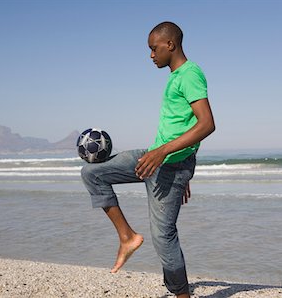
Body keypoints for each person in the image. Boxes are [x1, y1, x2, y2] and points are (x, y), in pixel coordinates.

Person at [81, 21, 215, 298]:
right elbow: (183, 125)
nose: (151, 55)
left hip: (166, 163)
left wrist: (176, 164)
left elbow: (206, 124)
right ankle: (127, 237)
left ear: (170, 45)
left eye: (154, 49)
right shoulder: (175, 76)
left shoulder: (190, 74)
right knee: (92, 173)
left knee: (164, 237)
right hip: (153, 158)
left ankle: (182, 295)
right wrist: (174, 157)